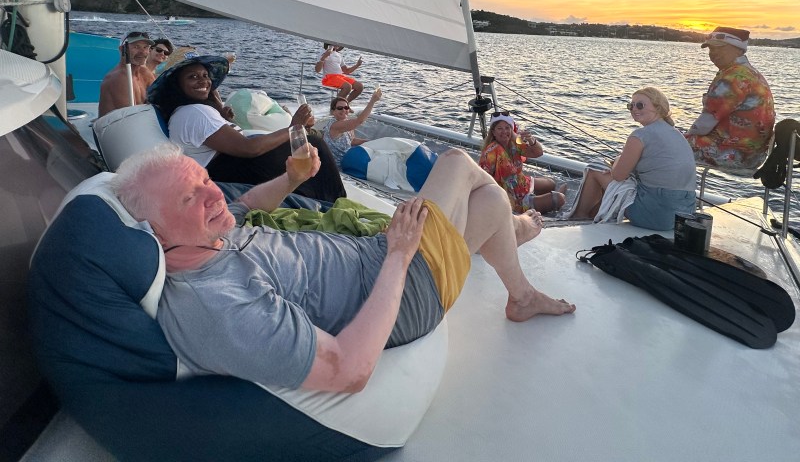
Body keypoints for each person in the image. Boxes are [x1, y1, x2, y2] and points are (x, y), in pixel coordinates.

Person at [112, 143, 575, 394]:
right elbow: (349, 371)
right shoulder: (214, 303)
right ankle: (516, 242)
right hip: (407, 291)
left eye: (205, 180)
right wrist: (398, 255)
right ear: (154, 231)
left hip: (377, 256)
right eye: (189, 197)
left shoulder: (205, 232)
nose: (214, 196)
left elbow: (246, 202)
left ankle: (519, 288)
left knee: (490, 200)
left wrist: (292, 178)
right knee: (457, 162)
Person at [147, 55, 345, 202]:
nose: (203, 81)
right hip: (230, 172)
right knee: (314, 143)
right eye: (192, 77)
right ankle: (334, 201)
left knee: (307, 149)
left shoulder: (187, 112)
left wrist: (220, 113)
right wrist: (293, 127)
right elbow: (249, 149)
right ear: (177, 86)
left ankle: (320, 197)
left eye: (205, 76)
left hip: (227, 167)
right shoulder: (194, 113)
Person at [569, 87, 696, 229]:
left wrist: (617, 161)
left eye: (640, 105)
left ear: (658, 107)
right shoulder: (677, 134)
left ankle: (578, 217)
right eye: (631, 105)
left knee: (595, 168)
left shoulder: (640, 135)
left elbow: (618, 176)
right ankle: (593, 216)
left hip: (655, 216)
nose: (634, 109)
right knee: (617, 178)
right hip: (683, 216)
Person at [684, 26, 775, 170]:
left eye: (719, 48)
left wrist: (682, 139)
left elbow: (704, 124)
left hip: (733, 154)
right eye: (711, 49)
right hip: (754, 154)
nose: (713, 53)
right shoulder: (750, 73)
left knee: (662, 143)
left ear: (738, 49)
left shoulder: (733, 77)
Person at [478, 112, 566, 214]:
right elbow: (482, 178)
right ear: (493, 132)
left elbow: (538, 153)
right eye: (500, 128)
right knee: (559, 198)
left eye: (507, 128)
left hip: (522, 183)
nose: (504, 131)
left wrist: (531, 140)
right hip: (514, 198)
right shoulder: (491, 152)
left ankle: (541, 201)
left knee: (551, 183)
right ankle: (543, 202)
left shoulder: (514, 143)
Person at [98, 31, 156, 117]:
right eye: (136, 47)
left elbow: (159, 99)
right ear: (122, 49)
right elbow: (131, 118)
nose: (142, 52)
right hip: (118, 124)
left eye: (145, 47)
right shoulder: (118, 78)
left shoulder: (145, 73)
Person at [322, 89, 382, 165]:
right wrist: (372, 101)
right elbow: (359, 121)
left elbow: (352, 141)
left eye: (346, 107)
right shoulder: (335, 125)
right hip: (339, 166)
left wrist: (369, 142)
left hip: (348, 159)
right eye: (340, 108)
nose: (344, 110)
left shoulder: (346, 122)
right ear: (333, 111)